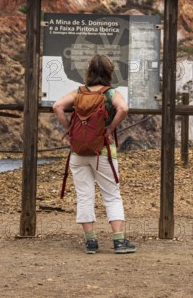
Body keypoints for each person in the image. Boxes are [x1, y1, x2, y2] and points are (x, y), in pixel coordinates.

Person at [53, 54, 136, 254]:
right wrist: (110, 127)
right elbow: (123, 108)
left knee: (84, 196)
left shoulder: (79, 92)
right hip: (103, 152)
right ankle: (118, 241)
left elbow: (57, 106)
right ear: (109, 72)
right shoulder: (110, 94)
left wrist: (70, 130)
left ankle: (91, 242)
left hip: (78, 152)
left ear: (89, 72)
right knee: (112, 195)